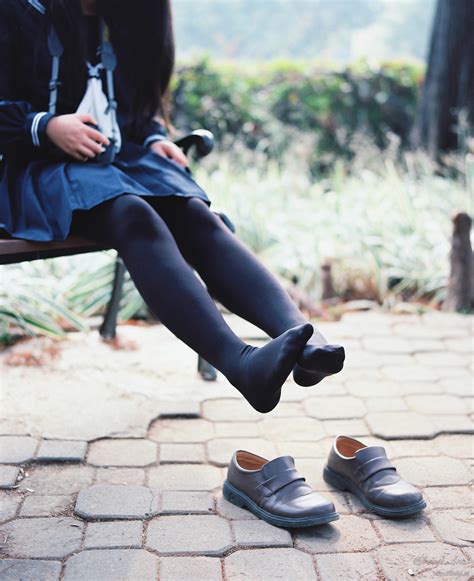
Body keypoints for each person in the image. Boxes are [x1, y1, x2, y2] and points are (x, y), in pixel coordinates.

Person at [0, 0, 345, 413]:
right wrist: (45, 126)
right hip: (36, 168)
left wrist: (152, 138)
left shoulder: (126, 16)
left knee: (194, 213)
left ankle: (304, 341)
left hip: (115, 161)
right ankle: (241, 364)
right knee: (132, 213)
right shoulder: (18, 10)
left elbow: (131, 109)